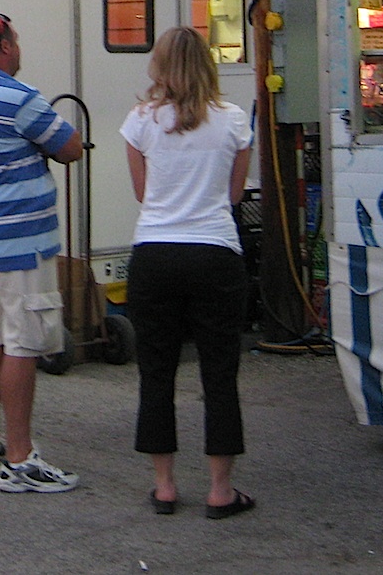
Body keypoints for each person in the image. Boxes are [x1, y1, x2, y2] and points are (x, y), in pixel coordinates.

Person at [121, 26, 255, 519]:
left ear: (159, 65)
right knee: (220, 373)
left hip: (155, 253)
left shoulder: (140, 122)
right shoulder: (234, 121)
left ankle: (165, 486)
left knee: (156, 371)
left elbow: (143, 193)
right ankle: (221, 490)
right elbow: (235, 196)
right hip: (215, 252)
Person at [0, 11, 83, 493]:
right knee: (23, 345)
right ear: (4, 46)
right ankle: (21, 458)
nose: (20, 49)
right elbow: (70, 147)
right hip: (22, 244)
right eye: (17, 40)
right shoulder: (19, 98)